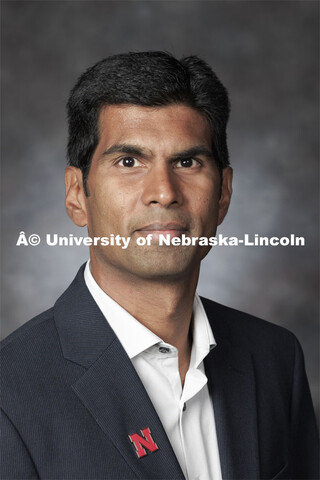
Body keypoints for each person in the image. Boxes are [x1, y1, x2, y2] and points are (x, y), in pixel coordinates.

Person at [1, 51, 318, 480]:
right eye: (129, 162)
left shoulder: (276, 359)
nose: (164, 192)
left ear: (223, 193)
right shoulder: (10, 391)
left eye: (187, 162)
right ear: (77, 194)